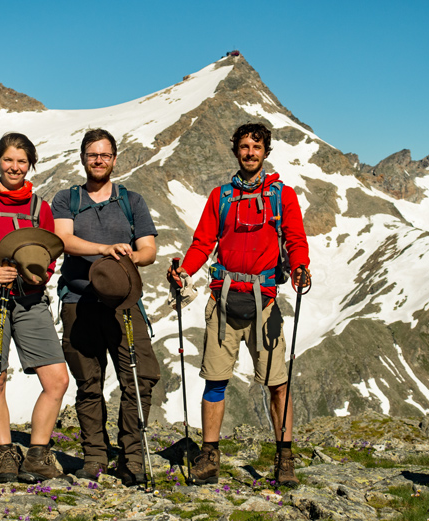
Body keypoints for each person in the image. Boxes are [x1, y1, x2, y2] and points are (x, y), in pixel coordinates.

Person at [168, 123, 311, 488]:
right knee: (215, 380)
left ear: (266, 151)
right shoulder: (221, 196)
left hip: (264, 302)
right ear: (236, 151)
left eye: (256, 146)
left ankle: (285, 458)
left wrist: (300, 268)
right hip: (224, 300)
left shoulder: (283, 196)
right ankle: (209, 457)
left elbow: (295, 239)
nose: (250, 152)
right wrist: (183, 271)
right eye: (244, 146)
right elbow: (203, 242)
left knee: (278, 383)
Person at [51, 128, 160, 486]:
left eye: (105, 155)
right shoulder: (67, 199)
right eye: (92, 154)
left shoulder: (133, 200)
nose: (99, 160)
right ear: (83, 158)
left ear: (115, 158)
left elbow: (149, 249)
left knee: (138, 378)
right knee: (89, 381)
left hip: (123, 301)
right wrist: (104, 248)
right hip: (78, 300)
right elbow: (63, 241)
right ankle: (94, 456)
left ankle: (132, 457)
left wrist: (132, 254)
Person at [0, 132, 71, 483]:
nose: (14, 167)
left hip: (29, 299)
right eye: (9, 160)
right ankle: (7, 453)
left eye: (21, 161)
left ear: (30, 165)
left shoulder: (41, 208)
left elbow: (50, 256)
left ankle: (36, 454)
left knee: (56, 379)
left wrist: (37, 276)